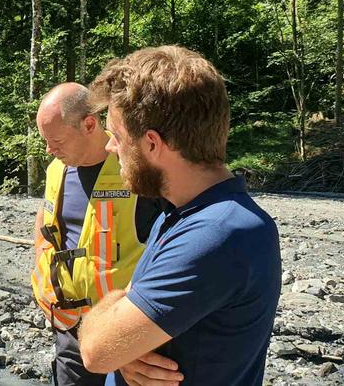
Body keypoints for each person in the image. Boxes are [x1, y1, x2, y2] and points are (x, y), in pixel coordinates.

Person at [78, 46, 282, 386]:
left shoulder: (217, 233)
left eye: (116, 136)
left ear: (152, 143)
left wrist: (118, 337)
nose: (110, 149)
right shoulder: (180, 213)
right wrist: (125, 352)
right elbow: (122, 339)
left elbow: (96, 352)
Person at [31, 83, 173, 386]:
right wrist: (42, 281)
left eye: (55, 140)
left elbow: (173, 246)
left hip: (128, 331)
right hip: (72, 329)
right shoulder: (57, 168)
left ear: (89, 124)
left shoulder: (136, 168)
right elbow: (45, 227)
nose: (49, 149)